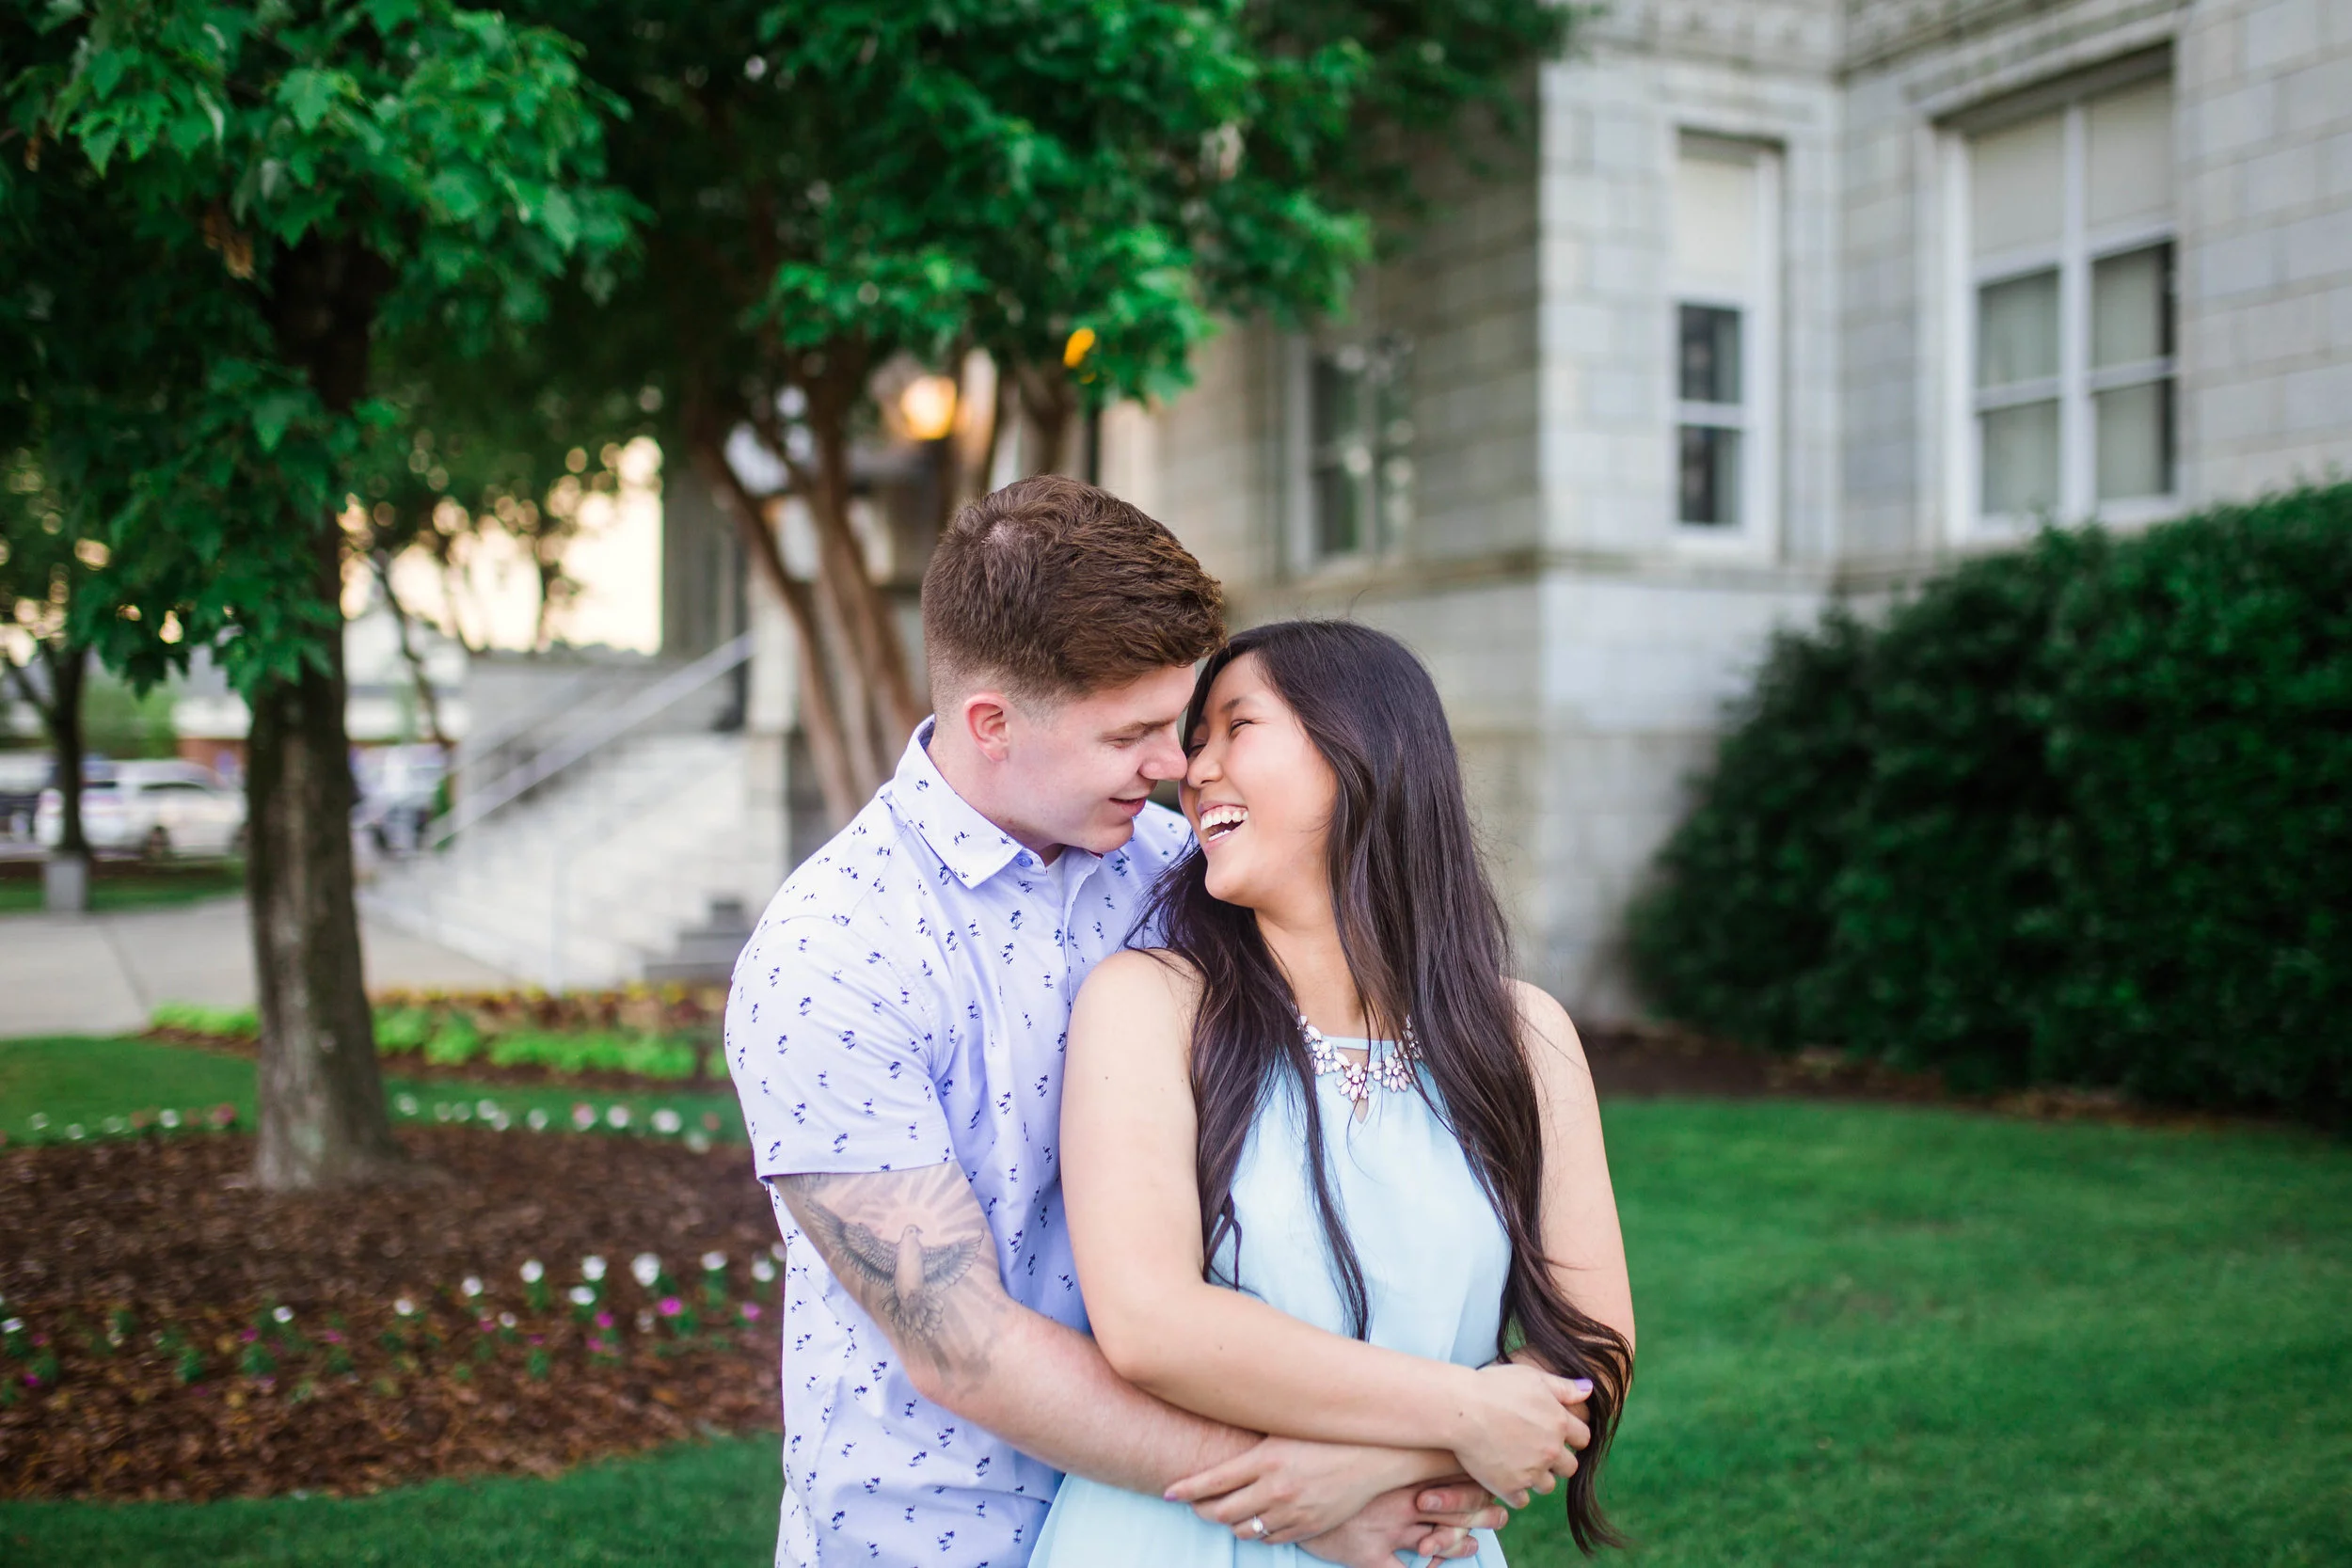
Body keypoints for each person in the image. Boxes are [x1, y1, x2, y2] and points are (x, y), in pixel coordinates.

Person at [724, 477, 1556, 1567]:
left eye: (1184, 720)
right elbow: (959, 1344)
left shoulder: (1185, 875)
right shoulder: (831, 951)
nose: (1175, 764)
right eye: (1135, 733)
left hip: (1179, 1521)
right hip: (936, 1530)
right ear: (992, 724)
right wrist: (1296, 1490)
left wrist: (1356, 1457)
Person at [1032, 620, 1637, 1564]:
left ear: (1363, 747)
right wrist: (1461, 1414)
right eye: (1195, 743)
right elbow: (1151, 1324)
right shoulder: (1150, 1003)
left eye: (1237, 726)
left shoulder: (1524, 1035)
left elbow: (1593, 1349)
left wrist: (1366, 1468)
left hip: (1422, 1541)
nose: (1191, 770)